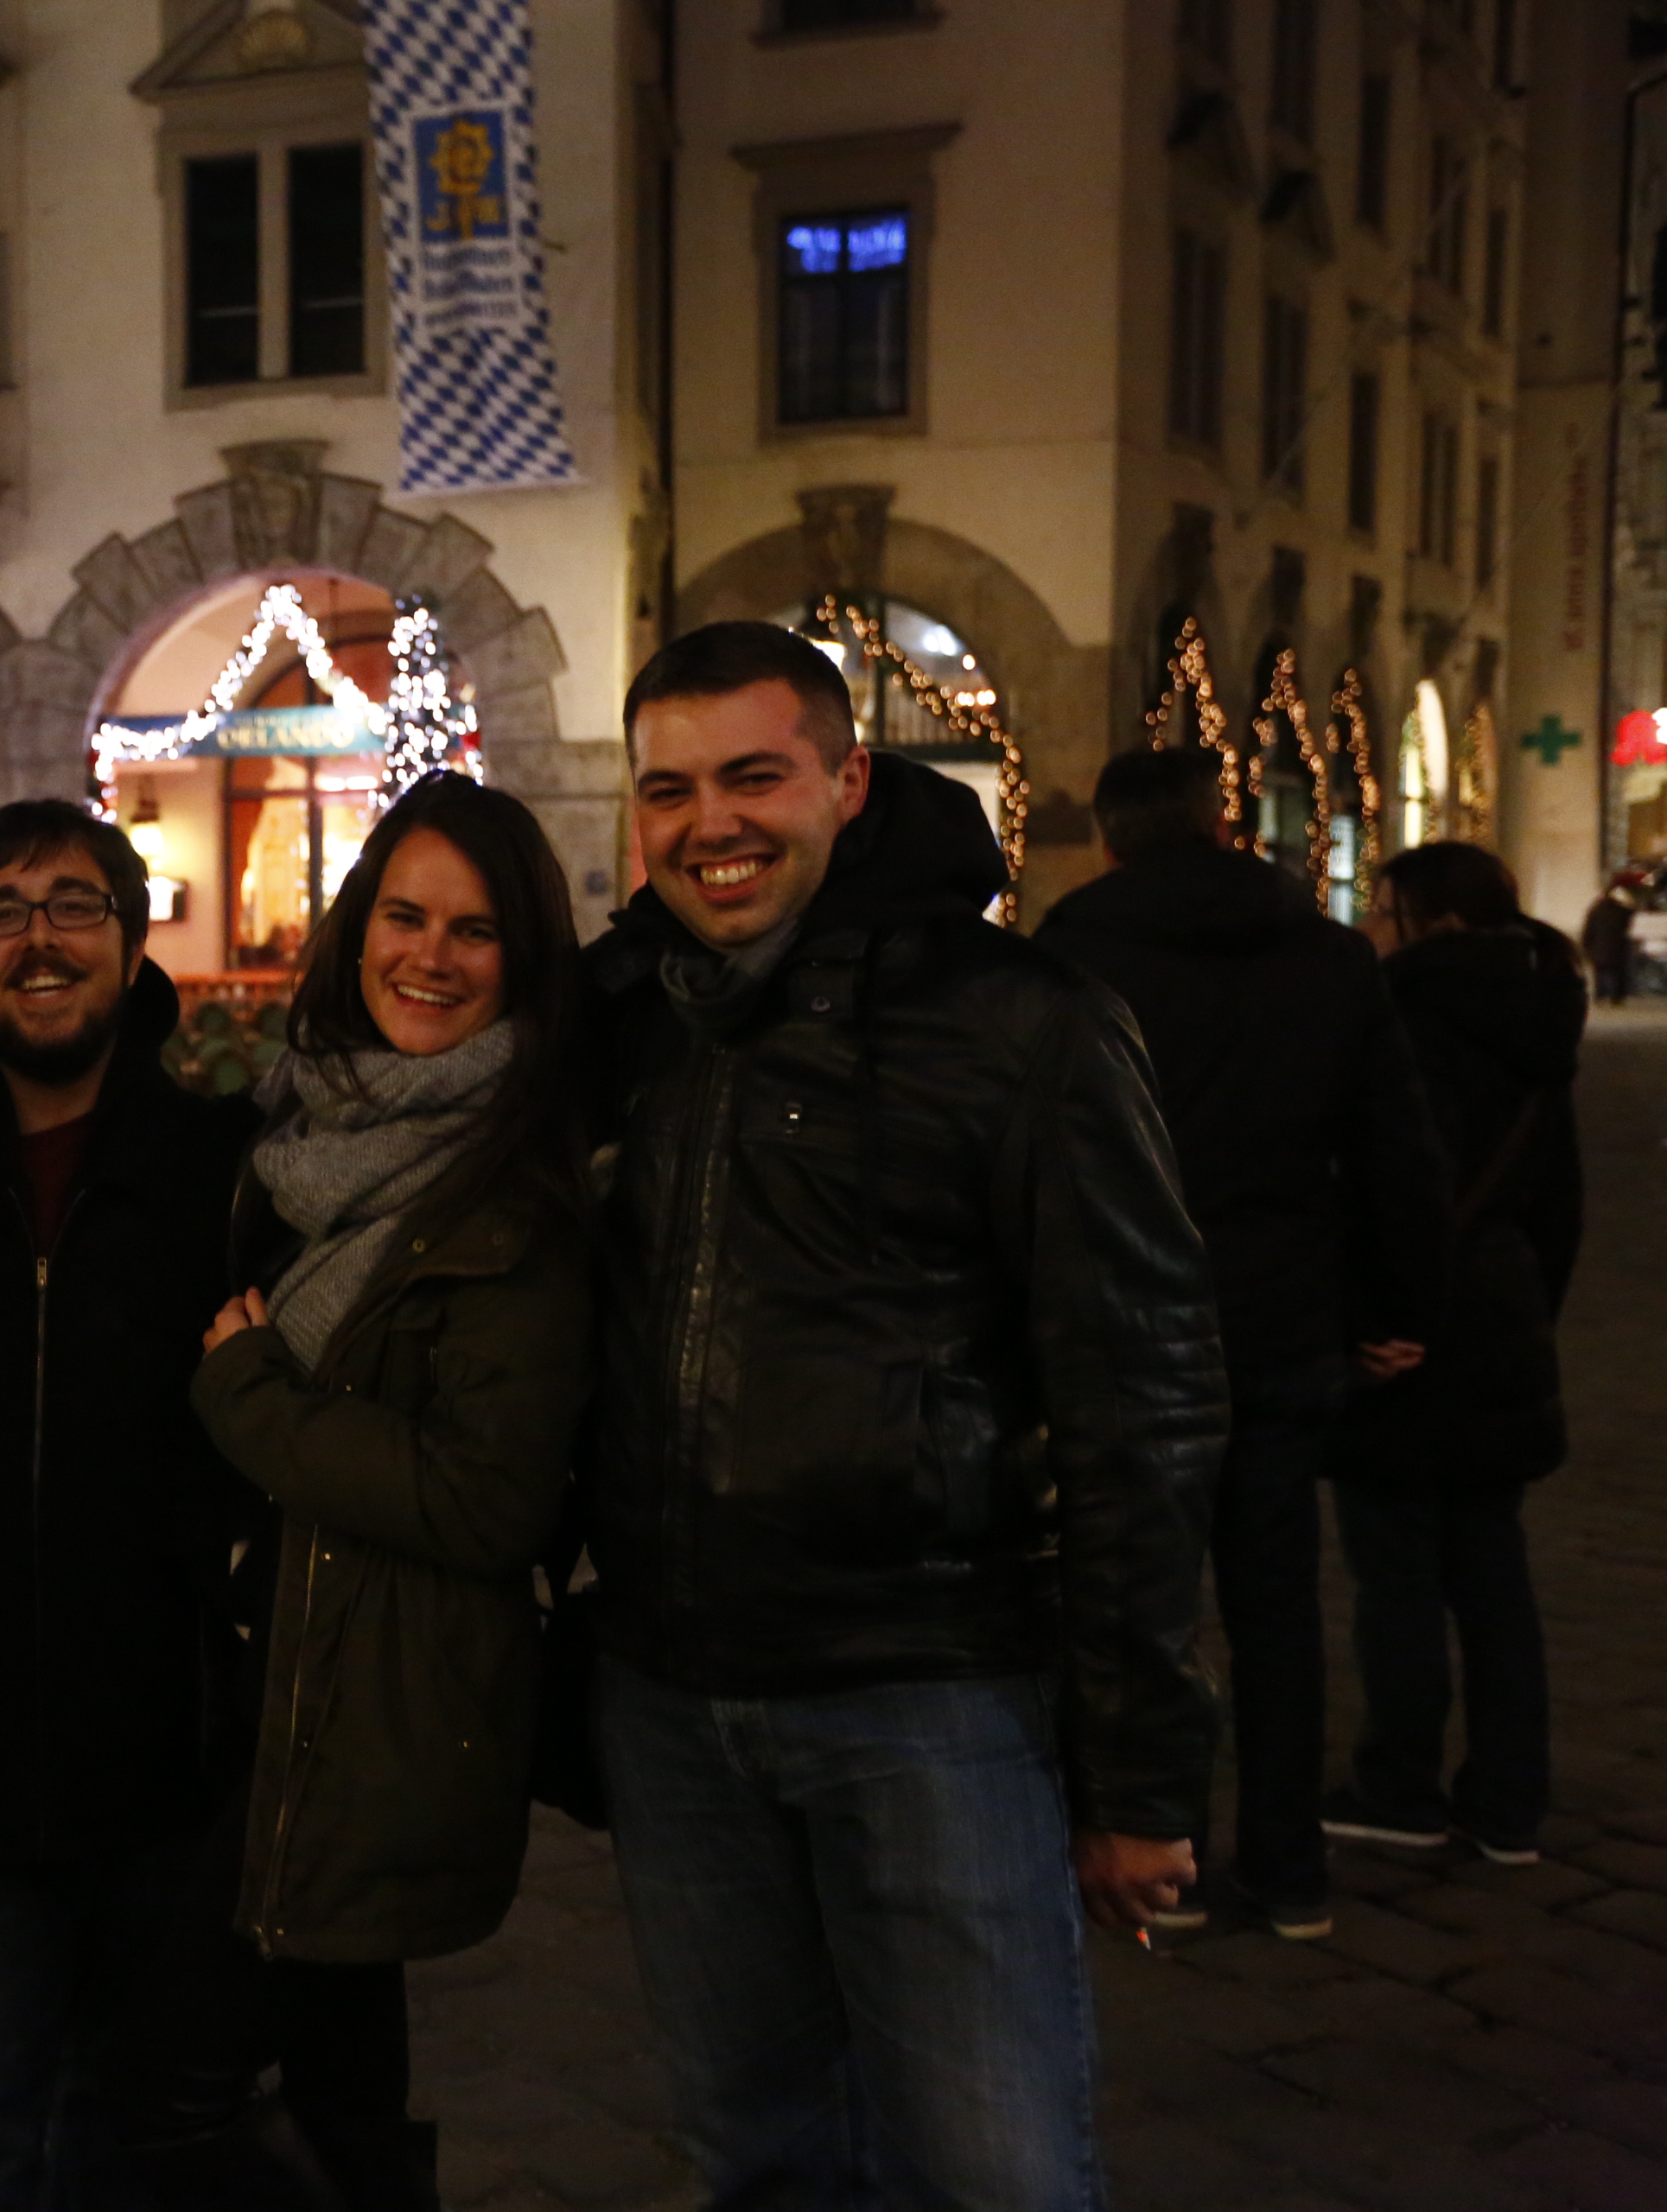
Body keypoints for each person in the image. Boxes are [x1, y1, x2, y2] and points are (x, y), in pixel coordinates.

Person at [581, 622, 1222, 2210]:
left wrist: (1140, 1776)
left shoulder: (1020, 1019)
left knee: (993, 2172)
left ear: (849, 781)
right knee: (758, 2159)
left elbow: (1140, 1397)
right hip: (674, 1697)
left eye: (754, 777)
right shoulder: (633, 1012)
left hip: (928, 1693)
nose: (711, 825)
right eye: (670, 790)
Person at [124, 772, 591, 2212]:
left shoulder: (516, 1196)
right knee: (338, 2083)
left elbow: (487, 1499)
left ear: (523, 959)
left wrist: (252, 1395)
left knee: (171, 2086)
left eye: (475, 931)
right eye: (405, 917)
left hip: (368, 1707)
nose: (429, 957)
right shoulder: (299, 1128)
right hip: (255, 1681)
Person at [0, 801, 258, 2212]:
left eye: (75, 905)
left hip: (168, 1780)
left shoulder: (230, 1175)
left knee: (144, 2156)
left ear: (131, 943)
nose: (39, 941)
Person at [1036, 745, 1448, 1938]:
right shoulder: (1328, 956)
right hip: (1280, 1319)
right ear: (1225, 828)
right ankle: (1287, 1866)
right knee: (1277, 1605)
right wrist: (1393, 1311)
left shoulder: (1071, 957)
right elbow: (1393, 1151)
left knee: (1137, 1601)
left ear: (1109, 840)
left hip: (1122, 1326)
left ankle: (1160, 1863)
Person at [1323, 842, 1586, 1866]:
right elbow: (1558, 1199)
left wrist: (1373, 1321)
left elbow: (1394, 1188)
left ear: (1429, 921)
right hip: (1503, 1313)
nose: (1370, 926)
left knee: (1396, 1567)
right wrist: (1526, 1312)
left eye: (1382, 909)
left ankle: (1400, 1783)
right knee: (1492, 1566)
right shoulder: (1541, 1009)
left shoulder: (1405, 1015)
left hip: (1410, 1328)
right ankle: (1511, 1799)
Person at [1579, 874, 1636, 1007]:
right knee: (1617, 973)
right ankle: (1616, 997)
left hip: (1598, 948)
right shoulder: (1621, 911)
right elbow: (1631, 914)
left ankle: (1601, 995)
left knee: (1600, 973)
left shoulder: (1596, 910)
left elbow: (1589, 930)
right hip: (1617, 947)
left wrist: (1585, 946)